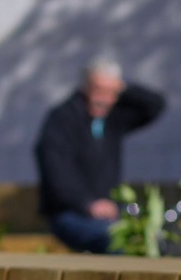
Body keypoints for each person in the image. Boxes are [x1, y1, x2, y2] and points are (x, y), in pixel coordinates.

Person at [34, 58, 166, 253]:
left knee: (156, 242)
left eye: (111, 92)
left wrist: (123, 88)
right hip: (72, 214)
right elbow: (55, 170)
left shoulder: (112, 118)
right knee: (119, 243)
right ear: (85, 88)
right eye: (99, 90)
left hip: (109, 214)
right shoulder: (63, 120)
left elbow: (155, 105)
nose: (103, 98)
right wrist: (87, 203)